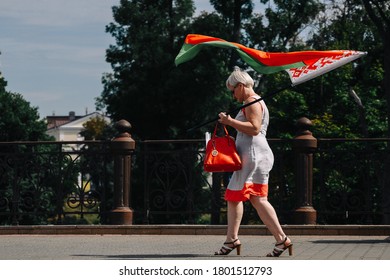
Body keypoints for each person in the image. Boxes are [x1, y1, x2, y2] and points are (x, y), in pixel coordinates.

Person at [214, 66, 293, 257]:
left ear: (240, 86)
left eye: (233, 91)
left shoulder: (251, 101)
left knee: (235, 197)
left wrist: (230, 122)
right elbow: (251, 130)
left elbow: (254, 128)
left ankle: (232, 239)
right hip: (257, 153)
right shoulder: (256, 101)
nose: (233, 96)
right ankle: (281, 239)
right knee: (257, 199)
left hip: (252, 155)